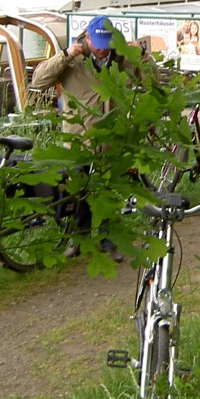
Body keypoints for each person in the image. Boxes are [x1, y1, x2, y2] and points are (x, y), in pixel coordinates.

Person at [31, 15, 139, 260]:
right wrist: (65, 55)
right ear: (87, 38)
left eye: (107, 43)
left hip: (111, 141)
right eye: (97, 43)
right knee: (78, 193)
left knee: (108, 192)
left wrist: (141, 55)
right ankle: (78, 238)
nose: (102, 49)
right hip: (79, 140)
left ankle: (107, 240)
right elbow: (38, 81)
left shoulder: (121, 59)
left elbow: (148, 80)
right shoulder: (73, 61)